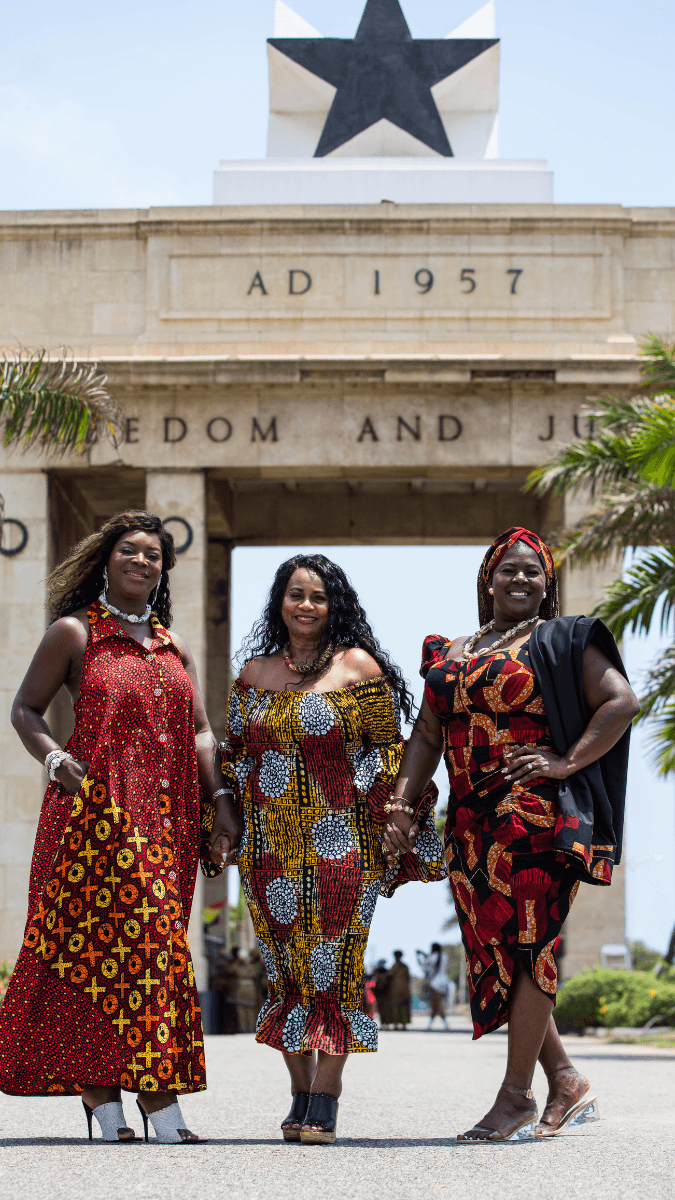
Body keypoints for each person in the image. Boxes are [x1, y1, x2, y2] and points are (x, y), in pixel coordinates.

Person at [383, 527, 638, 1142]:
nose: (520, 579)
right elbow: (425, 736)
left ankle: (516, 1096)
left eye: (533, 571)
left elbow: (621, 702)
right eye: (508, 570)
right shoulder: (450, 651)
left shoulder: (564, 641)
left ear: (548, 584)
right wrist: (400, 801)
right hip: (469, 824)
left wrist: (564, 762)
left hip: (534, 819)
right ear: (487, 580)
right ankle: (568, 1082)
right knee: (499, 952)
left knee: (532, 944)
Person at [0, 511, 241, 1143]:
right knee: (90, 958)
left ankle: (157, 1099)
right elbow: (25, 707)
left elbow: (200, 730)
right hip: (91, 817)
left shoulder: (174, 645)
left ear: (164, 569)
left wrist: (219, 799)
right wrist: (54, 759)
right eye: (129, 551)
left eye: (153, 555)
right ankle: (107, 1103)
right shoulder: (74, 632)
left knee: (158, 949)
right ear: (105, 560)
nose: (141, 562)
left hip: (165, 821)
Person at [204, 553, 444, 1145]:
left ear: (334, 604)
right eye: (295, 595)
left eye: (318, 596)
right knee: (284, 970)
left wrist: (398, 824)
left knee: (334, 967)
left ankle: (327, 1091)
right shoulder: (253, 674)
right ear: (279, 603)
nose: (306, 605)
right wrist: (225, 820)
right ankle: (298, 1087)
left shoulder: (359, 669)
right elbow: (236, 759)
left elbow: (391, 755)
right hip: (269, 848)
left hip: (342, 842)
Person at [416, 943, 450, 1029]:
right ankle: (431, 1023)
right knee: (436, 1003)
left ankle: (445, 1023)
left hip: (435, 982)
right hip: (444, 981)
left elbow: (423, 964)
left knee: (436, 1003)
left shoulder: (432, 957)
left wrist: (419, 956)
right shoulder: (444, 956)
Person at [388, 951, 411, 1029]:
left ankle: (396, 1025)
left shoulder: (394, 966)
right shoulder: (405, 966)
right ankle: (403, 1025)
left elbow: (389, 976)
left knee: (396, 1007)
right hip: (404, 989)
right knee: (403, 1008)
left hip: (395, 990)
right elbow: (408, 978)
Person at [372, 959, 393, 1028]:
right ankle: (383, 1023)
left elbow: (389, 983)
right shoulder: (375, 972)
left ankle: (387, 1023)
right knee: (380, 1009)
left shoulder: (387, 972)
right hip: (379, 993)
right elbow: (373, 982)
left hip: (386, 993)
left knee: (386, 1009)